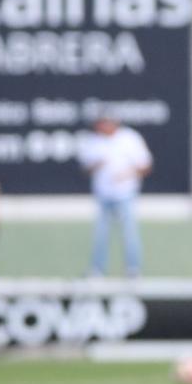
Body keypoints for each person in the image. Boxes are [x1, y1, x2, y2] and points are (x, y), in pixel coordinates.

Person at [80, 115, 152, 278]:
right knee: (101, 233)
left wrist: (128, 174)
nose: (101, 127)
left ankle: (133, 269)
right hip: (103, 194)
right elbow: (85, 168)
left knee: (129, 232)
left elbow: (145, 165)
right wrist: (96, 165)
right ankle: (97, 269)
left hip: (125, 193)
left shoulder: (129, 138)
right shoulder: (94, 141)